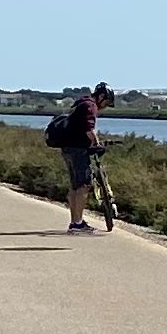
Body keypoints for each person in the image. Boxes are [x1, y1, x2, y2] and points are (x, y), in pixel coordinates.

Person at [51, 84, 110, 231]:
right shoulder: (91, 106)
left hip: (67, 148)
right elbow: (89, 129)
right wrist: (96, 144)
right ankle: (77, 223)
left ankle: (75, 221)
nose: (105, 106)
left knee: (75, 187)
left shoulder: (80, 104)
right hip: (78, 150)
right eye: (106, 102)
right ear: (101, 97)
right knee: (84, 186)